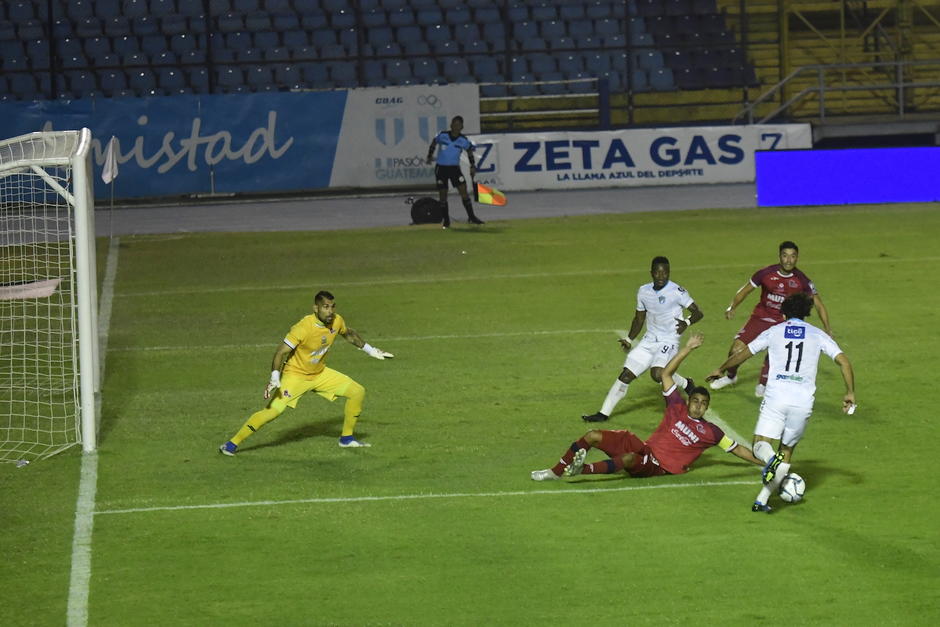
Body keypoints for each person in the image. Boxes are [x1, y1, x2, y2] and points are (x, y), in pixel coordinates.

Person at [533, 333, 764, 481]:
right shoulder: (676, 407)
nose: (699, 407)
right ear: (688, 401)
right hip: (646, 449)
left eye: (703, 404)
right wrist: (688, 348)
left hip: (659, 466)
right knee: (593, 435)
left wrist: (763, 463)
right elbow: (665, 373)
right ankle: (554, 471)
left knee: (629, 459)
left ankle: (581, 471)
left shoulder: (712, 432)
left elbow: (736, 449)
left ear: (706, 408)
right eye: (695, 401)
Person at [706, 292, 856, 512]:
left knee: (760, 446)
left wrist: (721, 368)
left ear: (784, 314)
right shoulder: (817, 334)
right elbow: (844, 362)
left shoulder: (774, 331)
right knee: (786, 451)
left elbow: (744, 352)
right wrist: (850, 392)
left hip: (777, 396)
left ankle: (769, 462)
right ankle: (762, 500)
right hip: (802, 402)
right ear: (806, 313)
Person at [219, 290, 394, 455]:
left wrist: (371, 350)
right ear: (315, 308)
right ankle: (231, 444)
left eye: (333, 306)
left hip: (319, 374)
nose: (330, 311)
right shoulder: (303, 328)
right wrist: (274, 377)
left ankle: (346, 439)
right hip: (295, 376)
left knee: (357, 392)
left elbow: (348, 334)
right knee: (273, 411)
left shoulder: (336, 321)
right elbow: (281, 352)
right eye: (326, 307)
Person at [582, 256, 703, 423]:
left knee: (657, 374)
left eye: (665, 273)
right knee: (626, 376)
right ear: (651, 273)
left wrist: (686, 322)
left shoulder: (677, 291)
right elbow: (639, 319)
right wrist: (629, 339)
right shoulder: (643, 291)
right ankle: (603, 413)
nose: (662, 276)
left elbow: (698, 312)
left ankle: (685, 387)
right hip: (649, 340)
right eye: (658, 273)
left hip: (669, 340)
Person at [710, 241, 832, 398]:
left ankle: (763, 383)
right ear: (779, 256)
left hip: (783, 321)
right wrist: (732, 307)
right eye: (785, 255)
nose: (788, 260)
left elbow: (819, 304)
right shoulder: (766, 273)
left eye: (792, 256)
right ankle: (731, 376)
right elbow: (745, 290)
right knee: (736, 349)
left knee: (774, 353)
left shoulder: (802, 280)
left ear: (797, 258)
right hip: (760, 317)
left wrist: (827, 328)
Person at [426, 115, 484, 228]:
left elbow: (469, 151)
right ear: (451, 125)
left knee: (464, 191)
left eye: (458, 125)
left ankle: (471, 217)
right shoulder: (442, 135)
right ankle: (446, 221)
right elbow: (434, 142)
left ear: (462, 127)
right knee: (443, 195)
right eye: (454, 124)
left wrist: (472, 165)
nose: (456, 126)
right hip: (441, 169)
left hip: (454, 169)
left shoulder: (463, 140)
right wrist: (430, 155)